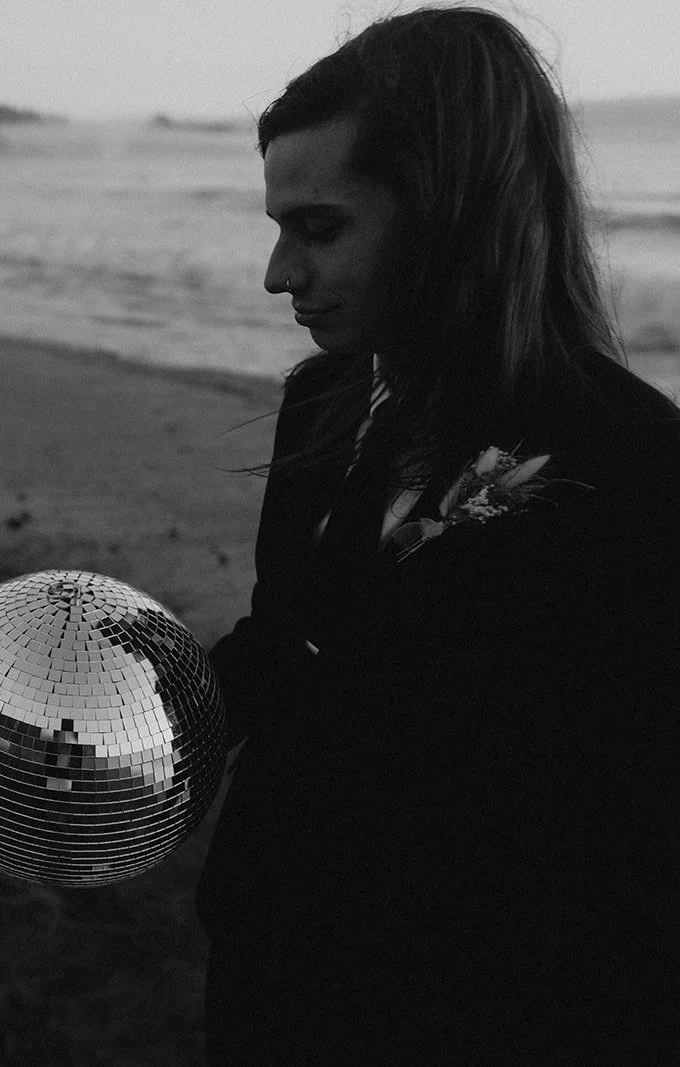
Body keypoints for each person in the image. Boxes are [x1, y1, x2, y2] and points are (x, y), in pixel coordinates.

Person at [196, 8, 680, 1060]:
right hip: (265, 964)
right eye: (277, 227)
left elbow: (636, 853)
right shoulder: (322, 403)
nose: (279, 274)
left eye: (320, 229)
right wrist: (150, 748)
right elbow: (290, 631)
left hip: (468, 1003)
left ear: (455, 215)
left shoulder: (641, 469)